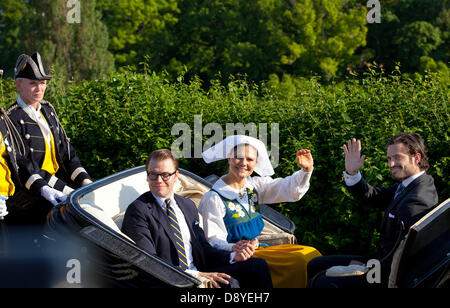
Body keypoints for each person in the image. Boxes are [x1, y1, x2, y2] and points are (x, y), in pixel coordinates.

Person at [121, 149, 273, 288]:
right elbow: (149, 260)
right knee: (228, 284)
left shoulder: (186, 205)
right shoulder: (138, 211)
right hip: (170, 279)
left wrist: (233, 256)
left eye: (165, 175)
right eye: (153, 174)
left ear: (176, 175)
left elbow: (203, 246)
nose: (159, 180)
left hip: (201, 268)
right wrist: (198, 276)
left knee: (258, 266)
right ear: (147, 177)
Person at [307, 133, 439, 288]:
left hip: (385, 275)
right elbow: (374, 196)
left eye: (397, 157)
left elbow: (401, 259)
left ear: (416, 158)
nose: (391, 164)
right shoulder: (413, 184)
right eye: (389, 158)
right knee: (315, 264)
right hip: (379, 262)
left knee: (321, 282)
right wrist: (352, 173)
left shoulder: (416, 200)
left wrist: (366, 267)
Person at [198, 135, 321, 288]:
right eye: (238, 157)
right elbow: (213, 241)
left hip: (259, 249)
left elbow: (288, 188)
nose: (244, 163)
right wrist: (234, 248)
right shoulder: (214, 198)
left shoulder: (253, 186)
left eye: (249, 160)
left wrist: (306, 170)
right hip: (238, 258)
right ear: (229, 158)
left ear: (256, 163)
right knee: (299, 261)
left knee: (311, 254)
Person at [6, 52, 92, 224]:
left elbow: (67, 154)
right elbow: (22, 164)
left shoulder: (48, 111)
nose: (39, 89)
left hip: (57, 183)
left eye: (43, 83)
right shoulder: (11, 118)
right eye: (33, 83)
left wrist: (85, 180)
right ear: (18, 85)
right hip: (33, 191)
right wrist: (58, 189)